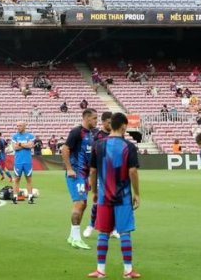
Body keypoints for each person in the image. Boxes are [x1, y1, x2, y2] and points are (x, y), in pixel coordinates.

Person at [86, 112, 141, 279]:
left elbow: (93, 170)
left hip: (104, 196)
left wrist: (95, 191)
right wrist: (137, 193)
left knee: (103, 232)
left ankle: (100, 270)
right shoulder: (129, 146)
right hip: (123, 196)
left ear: (111, 125)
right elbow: (132, 171)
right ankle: (128, 270)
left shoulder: (98, 145)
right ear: (124, 126)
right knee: (124, 233)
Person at [61, 108, 98, 249]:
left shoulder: (92, 134)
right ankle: (76, 238)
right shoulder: (77, 132)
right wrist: (69, 169)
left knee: (83, 204)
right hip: (76, 174)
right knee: (79, 204)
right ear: (87, 118)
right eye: (94, 118)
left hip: (84, 175)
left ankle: (72, 236)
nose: (96, 120)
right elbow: (65, 149)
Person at [84, 111, 113, 238]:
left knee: (114, 202)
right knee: (97, 201)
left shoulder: (117, 135)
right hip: (100, 173)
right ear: (104, 122)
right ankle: (91, 225)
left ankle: (114, 229)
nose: (111, 124)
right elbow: (92, 156)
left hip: (113, 173)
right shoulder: (96, 135)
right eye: (109, 122)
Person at [12, 121, 37, 204]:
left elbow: (30, 145)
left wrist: (19, 144)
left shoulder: (30, 136)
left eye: (20, 126)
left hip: (27, 161)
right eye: (17, 126)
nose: (18, 127)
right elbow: (15, 148)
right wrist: (25, 145)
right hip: (18, 161)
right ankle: (15, 197)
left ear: (24, 126)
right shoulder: (14, 136)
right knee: (16, 179)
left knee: (29, 179)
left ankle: (30, 197)